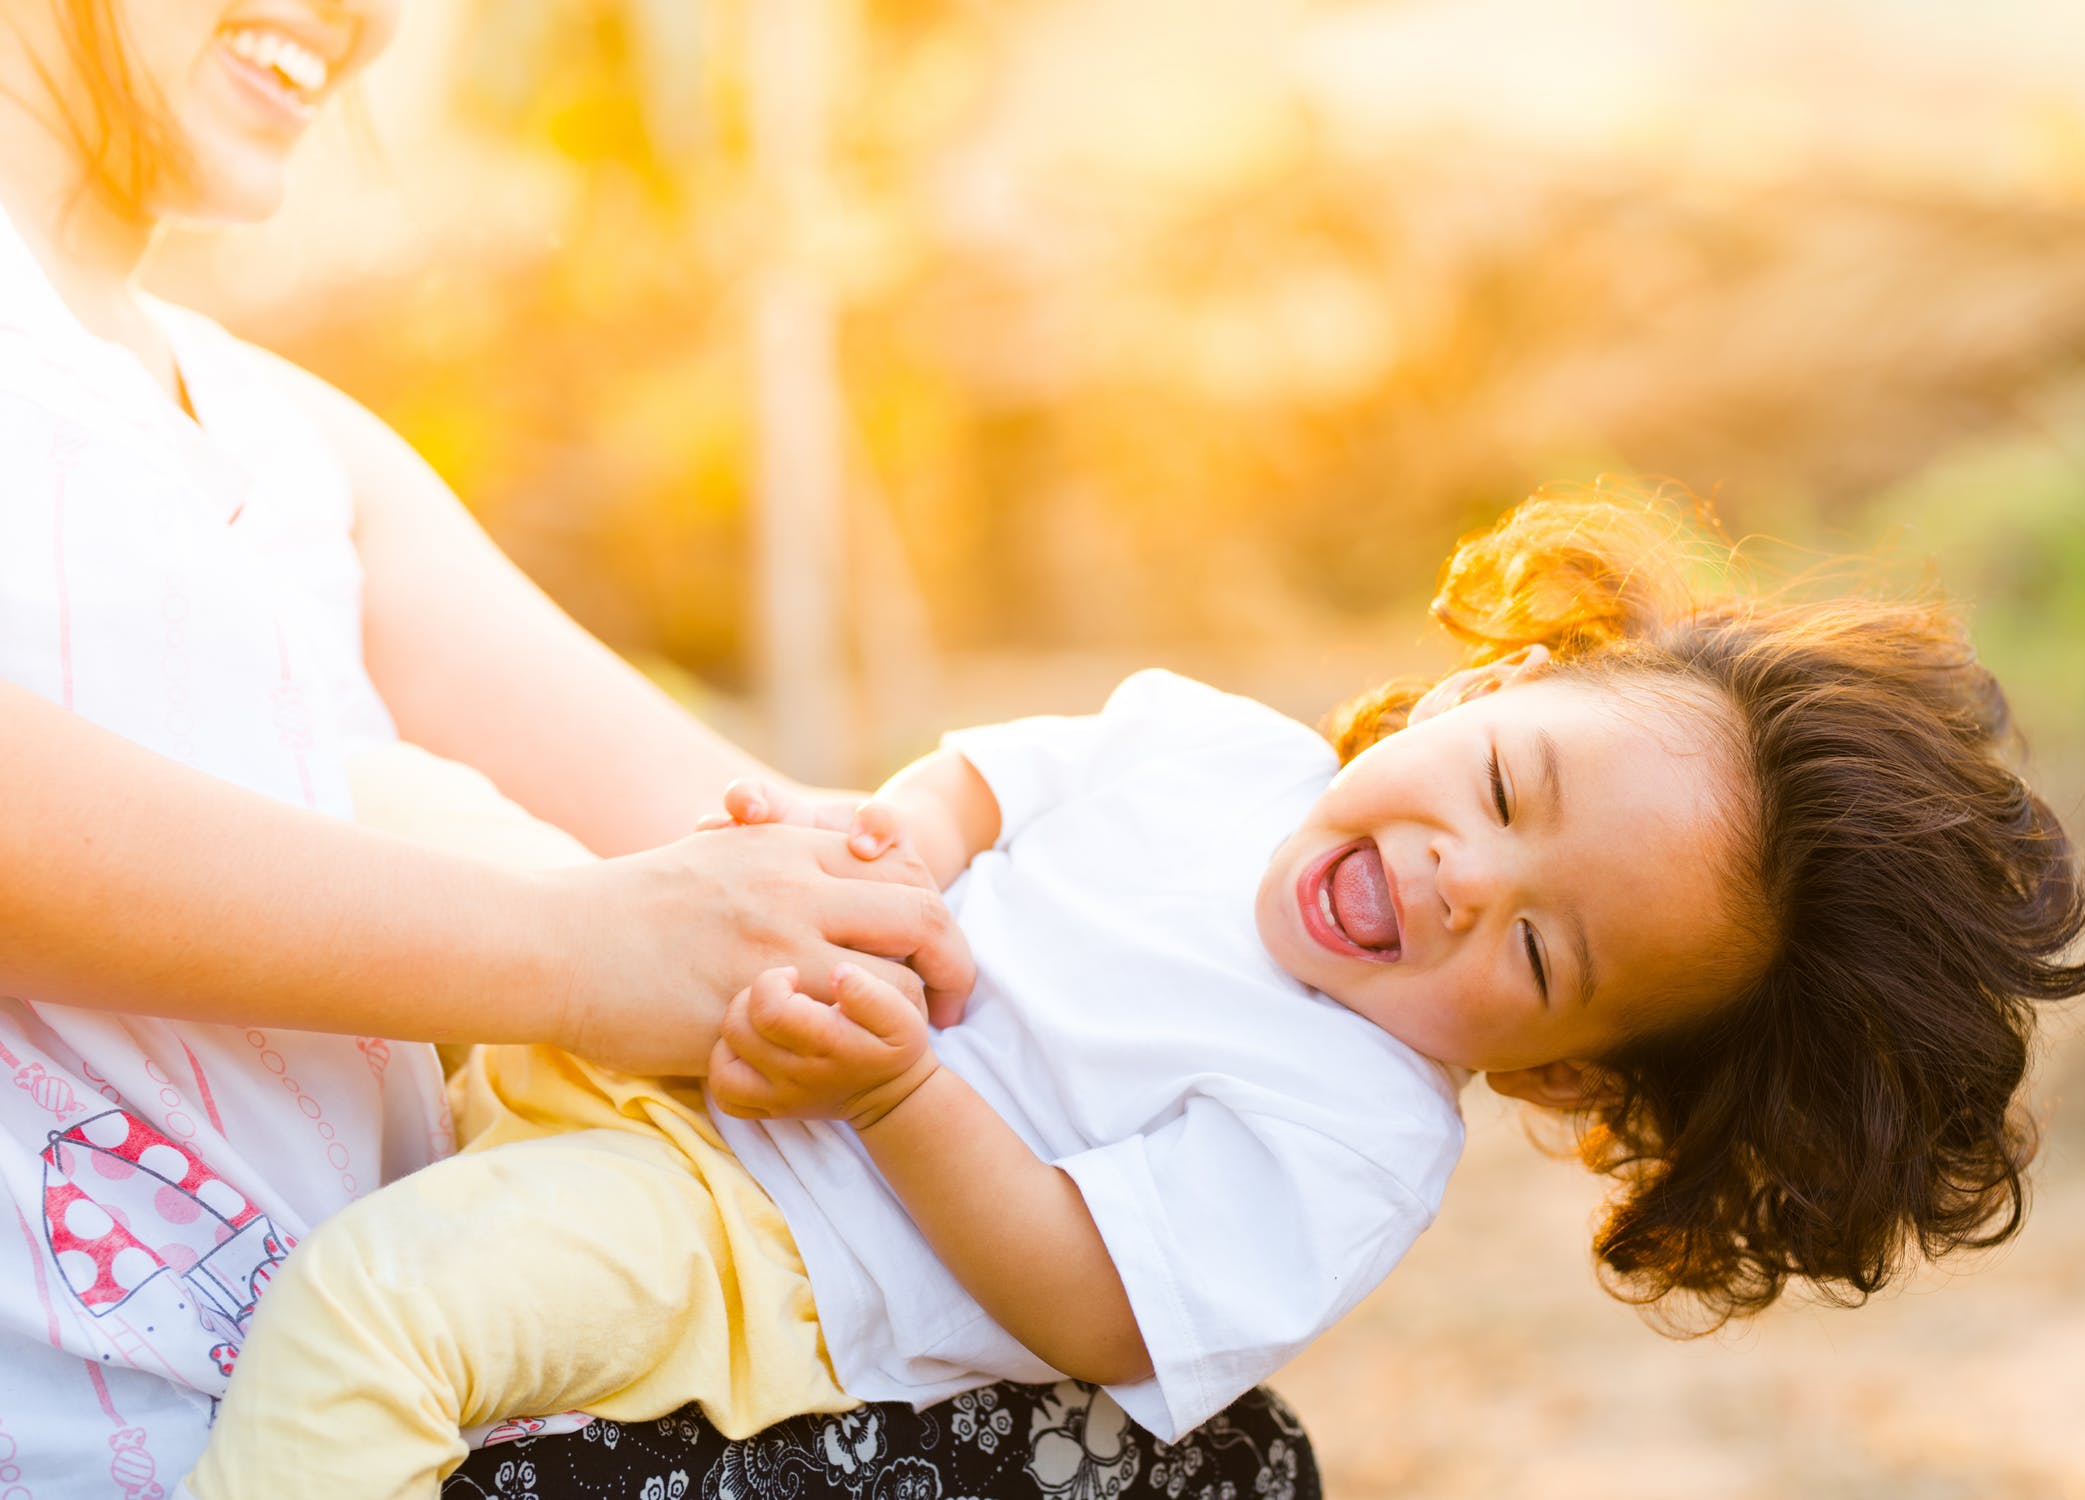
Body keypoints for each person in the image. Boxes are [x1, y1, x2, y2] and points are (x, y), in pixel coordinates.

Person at [185, 494, 2085, 1498]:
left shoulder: (1354, 1138)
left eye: (1542, 951)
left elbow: (1082, 1296)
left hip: (738, 1225)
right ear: (1475, 692)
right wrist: (888, 859)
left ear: (1574, 1065)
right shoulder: (1211, 745)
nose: (1464, 876)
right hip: (684, 994)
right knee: (355, 806)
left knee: (385, 1312)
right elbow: (980, 784)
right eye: (1511, 785)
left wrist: (893, 1095)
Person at [2, 4, 1288, 1496]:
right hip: (80, 1438)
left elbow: (773, 858)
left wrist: (1266, 1016)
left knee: (1208, 1450)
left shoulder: (293, 441)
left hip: (414, 1423)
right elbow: (626, 935)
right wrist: (579, 950)